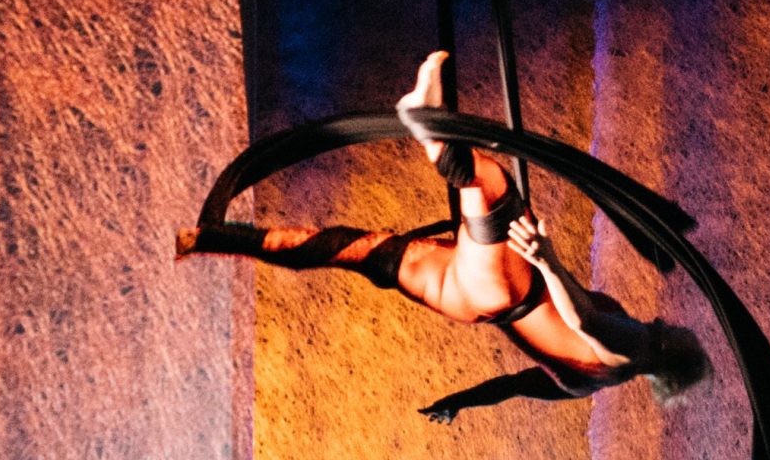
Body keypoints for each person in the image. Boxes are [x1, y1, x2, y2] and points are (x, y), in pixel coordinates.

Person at [177, 52, 710, 419]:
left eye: (687, 336)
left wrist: (547, 260)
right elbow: (515, 388)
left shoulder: (635, 351)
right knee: (348, 247)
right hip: (470, 300)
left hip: (509, 289)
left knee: (491, 184)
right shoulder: (589, 387)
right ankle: (208, 240)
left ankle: (423, 122)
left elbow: (585, 319)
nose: (680, 325)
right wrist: (459, 402)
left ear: (674, 351)